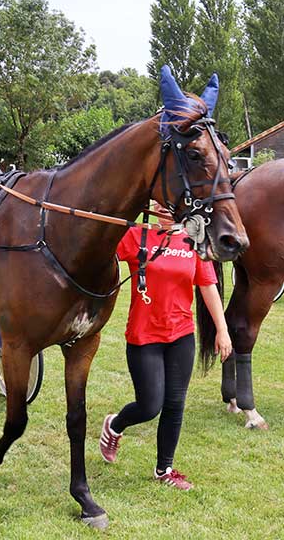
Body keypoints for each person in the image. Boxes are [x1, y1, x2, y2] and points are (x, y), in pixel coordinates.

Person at [99, 202, 233, 491]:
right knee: (149, 406)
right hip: (144, 336)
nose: (162, 209)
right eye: (157, 204)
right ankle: (115, 425)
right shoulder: (136, 236)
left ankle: (164, 469)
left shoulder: (191, 240)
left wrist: (222, 330)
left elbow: (208, 285)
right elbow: (99, 255)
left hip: (181, 335)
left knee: (175, 403)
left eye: (168, 205)